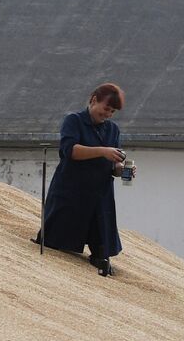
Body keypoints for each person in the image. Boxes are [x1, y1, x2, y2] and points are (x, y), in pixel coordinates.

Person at [37, 82, 136, 277]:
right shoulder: (73, 120)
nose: (108, 114)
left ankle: (99, 260)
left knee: (101, 244)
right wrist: (103, 151)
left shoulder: (113, 130)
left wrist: (122, 169)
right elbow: (71, 150)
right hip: (72, 188)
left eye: (112, 112)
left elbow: (113, 166)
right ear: (94, 100)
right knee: (55, 238)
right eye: (106, 108)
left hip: (100, 192)